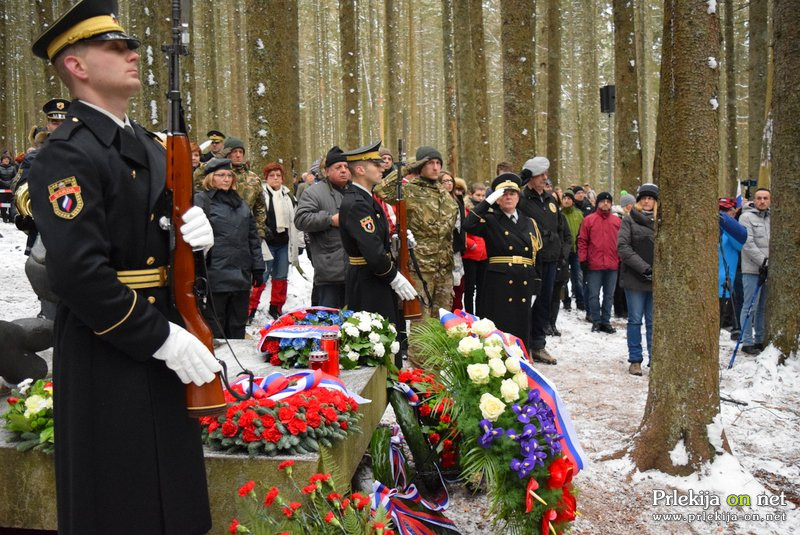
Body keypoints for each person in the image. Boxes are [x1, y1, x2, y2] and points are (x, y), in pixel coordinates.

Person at [29, 1, 220, 532]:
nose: (133, 52)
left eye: (131, 44)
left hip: (162, 339)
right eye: (115, 47)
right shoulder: (67, 154)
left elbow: (153, 248)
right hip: (107, 348)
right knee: (119, 500)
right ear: (77, 66)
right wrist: (160, 337)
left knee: (172, 502)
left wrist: (192, 244)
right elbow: (78, 275)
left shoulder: (149, 146)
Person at [374, 145, 458, 320]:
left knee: (444, 322)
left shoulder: (445, 194)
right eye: (430, 163)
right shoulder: (409, 190)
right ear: (420, 166)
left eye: (438, 163)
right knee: (421, 323)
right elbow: (380, 190)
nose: (436, 167)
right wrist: (405, 168)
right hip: (420, 267)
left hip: (444, 269)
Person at [339, 140, 417, 323]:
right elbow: (372, 251)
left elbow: (376, 238)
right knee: (374, 338)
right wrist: (394, 277)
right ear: (360, 170)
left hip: (374, 276)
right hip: (367, 281)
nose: (382, 167)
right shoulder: (357, 204)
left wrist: (398, 240)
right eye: (376, 163)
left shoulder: (367, 199)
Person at [463, 174, 542, 343]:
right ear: (497, 199)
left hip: (523, 281)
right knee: (498, 327)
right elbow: (467, 225)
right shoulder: (490, 219)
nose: (508, 197)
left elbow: (536, 256)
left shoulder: (529, 222)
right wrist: (487, 202)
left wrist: (536, 283)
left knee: (521, 327)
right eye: (503, 194)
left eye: (512, 193)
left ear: (518, 197)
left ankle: (521, 360)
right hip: (498, 281)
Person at [195, 158, 265, 338]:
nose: (226, 179)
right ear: (210, 178)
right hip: (215, 274)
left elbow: (252, 236)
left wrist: (258, 267)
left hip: (241, 275)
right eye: (221, 175)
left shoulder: (240, 203)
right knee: (216, 326)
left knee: (237, 324)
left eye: (229, 175)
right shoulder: (201, 201)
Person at [517, 156, 564, 364]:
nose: (545, 178)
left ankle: (538, 344)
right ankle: (522, 344)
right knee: (527, 302)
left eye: (546, 174)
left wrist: (561, 251)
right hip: (532, 260)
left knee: (545, 303)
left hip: (552, 259)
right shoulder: (522, 199)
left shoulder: (551, 200)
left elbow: (559, 227)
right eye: (541, 175)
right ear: (531, 177)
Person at [294, 146, 351, 308]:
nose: (343, 171)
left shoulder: (355, 191)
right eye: (338, 167)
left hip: (355, 269)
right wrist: (329, 220)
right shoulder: (314, 192)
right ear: (326, 171)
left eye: (346, 167)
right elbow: (301, 219)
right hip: (330, 270)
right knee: (329, 319)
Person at [618, 184, 658, 375]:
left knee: (653, 321)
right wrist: (644, 268)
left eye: (651, 198)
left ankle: (655, 358)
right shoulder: (629, 220)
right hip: (635, 277)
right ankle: (635, 359)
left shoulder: (661, 221)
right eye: (644, 198)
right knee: (635, 319)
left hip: (656, 280)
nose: (647, 201)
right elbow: (623, 247)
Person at [578, 191, 621, 333]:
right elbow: (582, 241)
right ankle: (596, 320)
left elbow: (622, 242)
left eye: (608, 202)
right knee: (593, 294)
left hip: (612, 264)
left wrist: (620, 259)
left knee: (609, 295)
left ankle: (605, 321)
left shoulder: (617, 221)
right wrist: (583, 259)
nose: (606, 203)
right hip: (594, 264)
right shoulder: (589, 220)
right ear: (598, 203)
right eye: (603, 201)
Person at [262, 161, 300, 317]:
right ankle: (249, 309)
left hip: (284, 243)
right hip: (266, 243)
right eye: (272, 175)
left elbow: (295, 221)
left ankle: (276, 307)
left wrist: (299, 242)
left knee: (281, 277)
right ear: (266, 178)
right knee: (261, 277)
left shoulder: (288, 196)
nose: (275, 178)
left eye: (278, 175)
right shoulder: (261, 195)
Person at [738, 188, 771, 355]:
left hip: (769, 270)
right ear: (754, 200)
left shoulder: (772, 218)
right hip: (752, 269)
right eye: (759, 198)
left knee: (763, 307)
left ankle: (760, 339)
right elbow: (748, 243)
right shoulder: (746, 217)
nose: (762, 201)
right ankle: (747, 341)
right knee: (750, 305)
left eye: (765, 198)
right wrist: (764, 262)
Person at [718, 197, 746, 332]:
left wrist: (724, 221)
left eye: (727, 210)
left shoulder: (734, 231)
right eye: (721, 210)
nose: (724, 213)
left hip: (726, 285)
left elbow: (740, 243)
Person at [560, 189, 585, 311]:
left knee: (578, 277)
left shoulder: (578, 213)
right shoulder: (559, 214)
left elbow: (583, 230)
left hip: (576, 250)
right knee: (564, 278)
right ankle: (566, 301)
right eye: (564, 198)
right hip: (564, 251)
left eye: (569, 198)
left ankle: (580, 301)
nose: (566, 200)